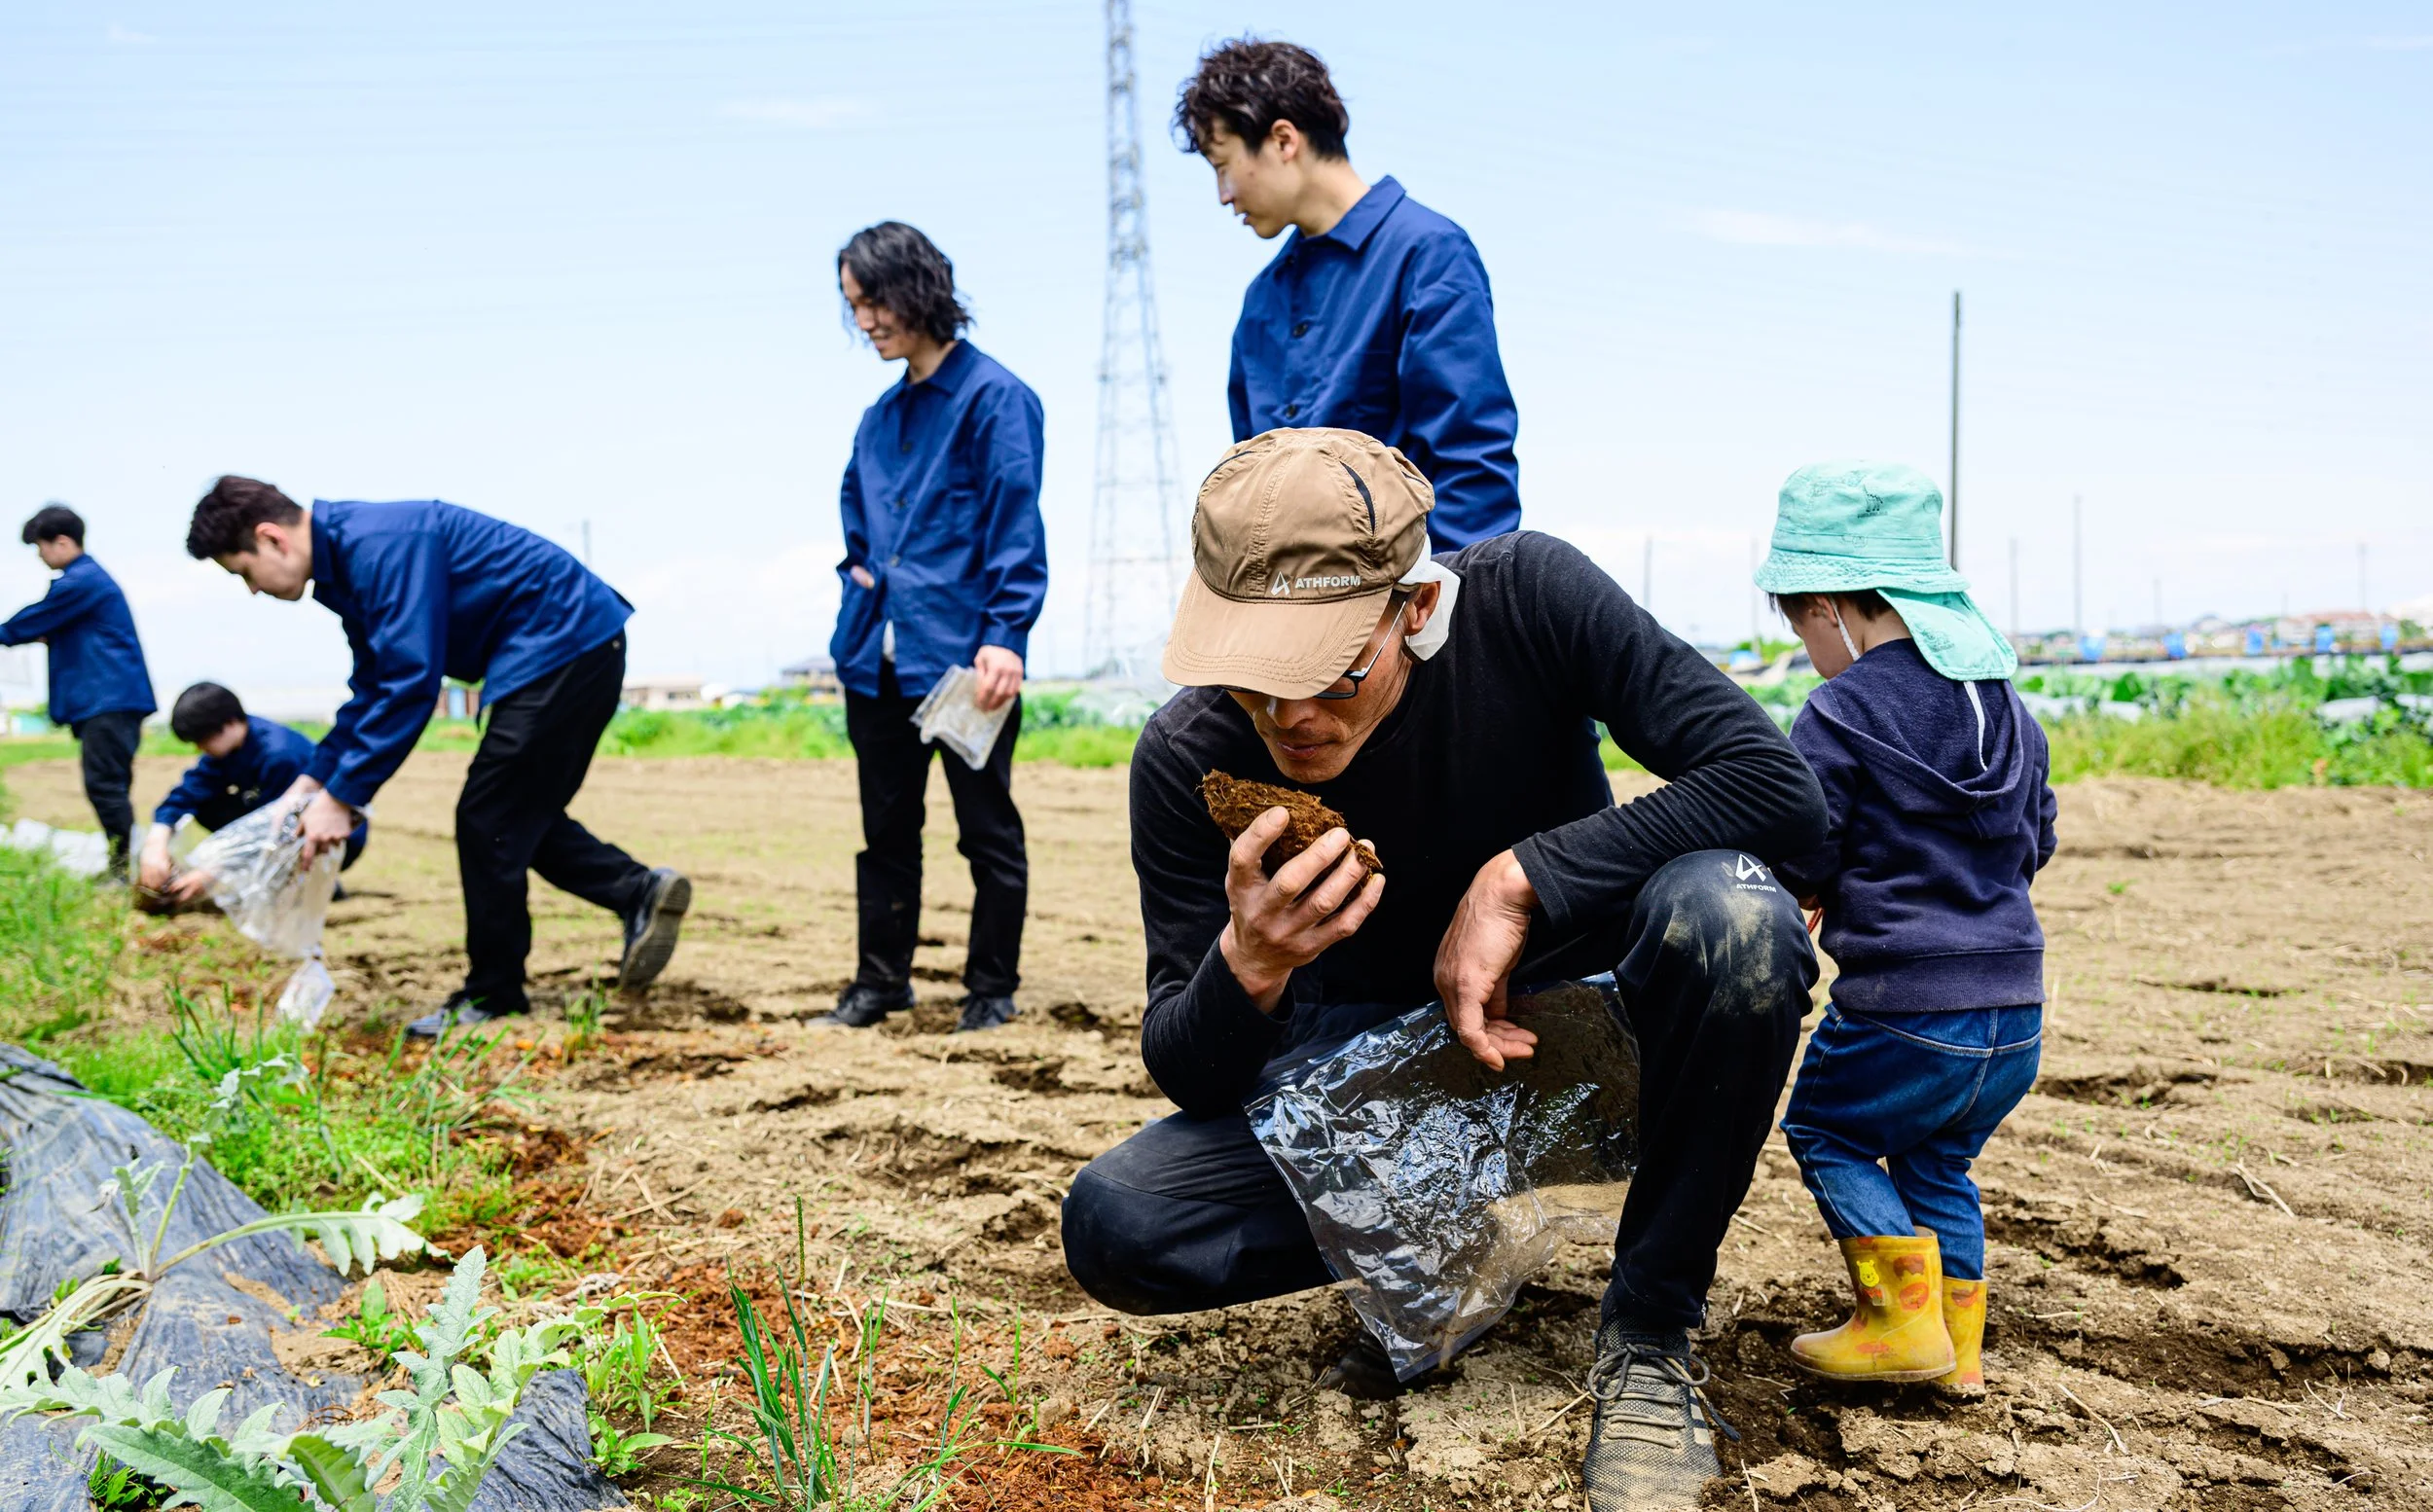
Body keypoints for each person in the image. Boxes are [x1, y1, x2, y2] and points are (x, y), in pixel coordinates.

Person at [1059, 428, 1829, 1512]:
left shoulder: (1526, 600)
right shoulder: (1188, 755)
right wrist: (1249, 963)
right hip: (1384, 1100)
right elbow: (1189, 1070)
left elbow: (1776, 787)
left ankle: (1652, 1330)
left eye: (1331, 670)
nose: (1290, 716)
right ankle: (1448, 1238)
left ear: (1415, 607)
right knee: (1121, 1222)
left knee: (1734, 914)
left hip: (1594, 1045)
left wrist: (1524, 877)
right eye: (1252, 677)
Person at [183, 478, 691, 1037]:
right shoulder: (347, 563)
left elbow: (409, 683)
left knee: (489, 818)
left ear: (271, 538)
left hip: (561, 643)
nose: (253, 590)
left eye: (244, 573)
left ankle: (493, 995)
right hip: (567, 646)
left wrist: (343, 798)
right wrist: (312, 783)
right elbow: (374, 686)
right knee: (514, 815)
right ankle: (637, 892)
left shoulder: (376, 546)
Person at [1754, 463, 2056, 1398]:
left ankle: (1899, 1321)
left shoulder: (1840, 710)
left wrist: (1808, 886)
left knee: (1827, 1131)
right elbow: (2037, 837)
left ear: (1829, 605)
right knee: (1938, 1160)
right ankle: (1959, 1352)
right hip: (2016, 1009)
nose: (1809, 649)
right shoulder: (2008, 707)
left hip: (1904, 1006)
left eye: (1801, 627)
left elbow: (1806, 839)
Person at [816, 222, 1047, 1035]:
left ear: (916, 290)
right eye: (853, 306)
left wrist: (1006, 634)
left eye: (873, 302)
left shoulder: (996, 398)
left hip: (964, 663)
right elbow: (856, 527)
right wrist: (857, 580)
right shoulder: (877, 419)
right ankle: (880, 983)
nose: (864, 321)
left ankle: (990, 989)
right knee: (885, 832)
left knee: (986, 830)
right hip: (874, 659)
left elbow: (1015, 525)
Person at [1175, 38, 1522, 551]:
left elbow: (1472, 470)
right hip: (1288, 597)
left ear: (1283, 140)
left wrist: (1444, 597)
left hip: (1414, 593)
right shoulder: (1261, 303)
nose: (1223, 195)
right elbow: (1249, 493)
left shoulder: (1426, 253)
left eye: (1222, 165)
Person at [1, 506, 157, 881]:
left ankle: (121, 871)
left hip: (109, 700)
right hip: (111, 700)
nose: (40, 556)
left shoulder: (79, 582)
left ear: (62, 542)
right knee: (110, 784)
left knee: (105, 785)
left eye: (41, 547)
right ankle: (124, 865)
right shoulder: (87, 583)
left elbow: (32, 620)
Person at [135, 681, 369, 913]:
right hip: (274, 818)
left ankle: (313, 879)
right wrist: (156, 842)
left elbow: (280, 830)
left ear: (229, 723)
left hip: (333, 833)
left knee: (280, 839)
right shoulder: (227, 751)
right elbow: (188, 793)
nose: (199, 749)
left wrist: (213, 872)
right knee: (207, 805)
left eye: (202, 740)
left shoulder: (279, 755)